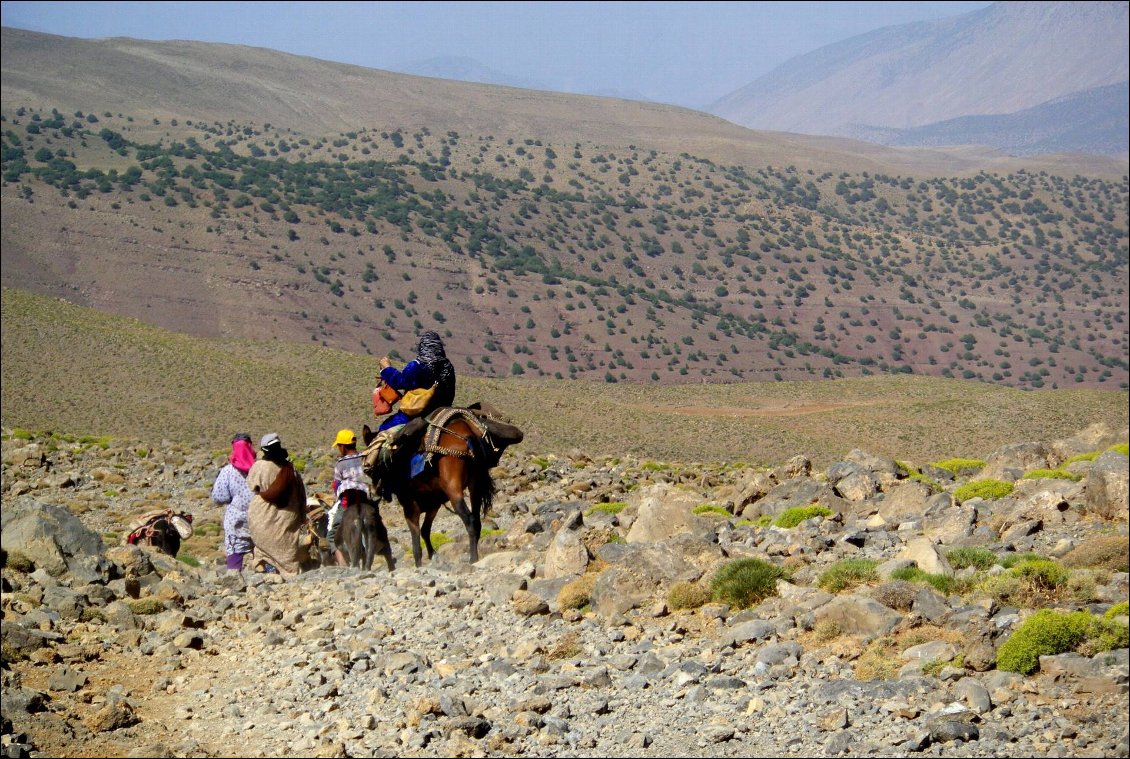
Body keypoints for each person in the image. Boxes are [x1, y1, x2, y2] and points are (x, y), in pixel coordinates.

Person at [246, 433, 314, 576]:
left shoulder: (259, 467)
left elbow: (252, 486)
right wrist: (302, 513)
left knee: (264, 546)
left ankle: (269, 572)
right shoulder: (290, 469)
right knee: (286, 546)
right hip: (288, 516)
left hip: (262, 517)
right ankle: (289, 572)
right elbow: (301, 493)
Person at [376, 330, 457, 432]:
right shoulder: (448, 366)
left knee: (383, 430)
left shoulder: (418, 365)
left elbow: (400, 382)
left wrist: (386, 368)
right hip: (442, 413)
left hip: (416, 413)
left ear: (422, 347)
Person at [325, 428, 372, 566]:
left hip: (347, 505)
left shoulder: (340, 464)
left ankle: (343, 565)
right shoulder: (365, 457)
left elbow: (336, 486)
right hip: (367, 503)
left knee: (331, 536)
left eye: (339, 446)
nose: (338, 449)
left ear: (343, 447)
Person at [211, 433, 256, 571]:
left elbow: (218, 497)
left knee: (235, 554)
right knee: (264, 553)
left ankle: (235, 584)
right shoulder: (261, 469)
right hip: (260, 519)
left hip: (235, 521)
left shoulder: (228, 471)